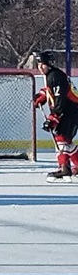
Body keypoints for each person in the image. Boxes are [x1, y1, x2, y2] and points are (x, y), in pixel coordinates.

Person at [32, 50, 78, 182]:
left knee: (62, 140)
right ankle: (65, 167)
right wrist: (42, 96)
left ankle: (64, 168)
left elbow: (60, 98)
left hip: (70, 110)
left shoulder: (55, 76)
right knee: (63, 140)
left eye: (43, 64)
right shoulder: (50, 76)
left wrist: (54, 117)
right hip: (67, 110)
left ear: (50, 64)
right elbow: (50, 90)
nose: (40, 67)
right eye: (39, 64)